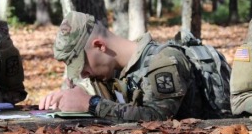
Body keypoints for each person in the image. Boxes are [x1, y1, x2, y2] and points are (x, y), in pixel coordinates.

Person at [39, 11, 217, 121]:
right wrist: (65, 98)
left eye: (82, 65)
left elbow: (158, 119)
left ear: (100, 46)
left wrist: (91, 104)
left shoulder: (163, 61)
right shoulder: (118, 73)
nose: (84, 74)